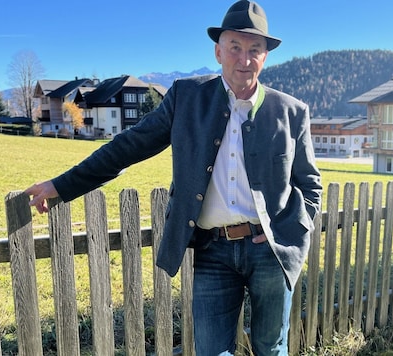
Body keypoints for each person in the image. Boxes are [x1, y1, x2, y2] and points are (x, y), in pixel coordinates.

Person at [24, 1, 322, 355]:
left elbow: (309, 186)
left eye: (254, 50)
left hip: (271, 251)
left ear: (265, 56)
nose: (244, 59)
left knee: (271, 349)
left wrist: (290, 230)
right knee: (212, 351)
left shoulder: (291, 111)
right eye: (235, 47)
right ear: (218, 51)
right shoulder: (186, 97)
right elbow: (127, 147)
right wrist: (62, 185)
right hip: (213, 251)